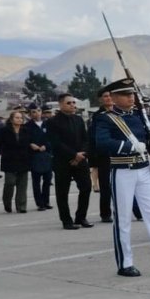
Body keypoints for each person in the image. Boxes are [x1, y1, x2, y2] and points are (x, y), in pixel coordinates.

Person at [93, 78, 150, 277]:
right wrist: (129, 147)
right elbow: (103, 143)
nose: (130, 98)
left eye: (131, 94)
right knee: (123, 218)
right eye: (125, 94)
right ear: (114, 97)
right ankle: (125, 263)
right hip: (122, 170)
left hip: (145, 169)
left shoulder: (140, 115)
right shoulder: (105, 118)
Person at [47, 93, 94, 230]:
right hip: (62, 162)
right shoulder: (52, 122)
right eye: (69, 103)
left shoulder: (78, 120)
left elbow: (85, 139)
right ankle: (66, 220)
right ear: (61, 104)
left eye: (74, 102)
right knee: (62, 192)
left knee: (86, 187)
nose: (73, 105)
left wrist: (81, 155)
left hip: (81, 160)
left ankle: (81, 217)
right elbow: (56, 143)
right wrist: (73, 155)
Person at [0, 110, 32, 213]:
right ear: (11, 119)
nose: (19, 119)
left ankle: (21, 206)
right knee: (10, 182)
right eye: (17, 117)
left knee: (22, 184)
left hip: (23, 159)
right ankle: (7, 202)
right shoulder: (4, 130)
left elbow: (29, 142)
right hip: (9, 160)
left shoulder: (26, 130)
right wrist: (1, 151)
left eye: (21, 118)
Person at [88, 90, 114, 222]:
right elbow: (92, 138)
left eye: (110, 95)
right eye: (105, 96)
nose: (108, 98)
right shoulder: (97, 116)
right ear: (100, 100)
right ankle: (105, 213)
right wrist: (93, 159)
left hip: (120, 154)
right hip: (104, 155)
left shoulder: (119, 112)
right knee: (105, 186)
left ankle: (136, 211)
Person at [25, 105, 54, 210]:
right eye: (33, 111)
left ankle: (46, 201)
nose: (36, 113)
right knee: (36, 181)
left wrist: (46, 145)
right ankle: (39, 203)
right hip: (34, 155)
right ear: (30, 114)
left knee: (47, 180)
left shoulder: (47, 124)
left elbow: (52, 138)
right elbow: (25, 139)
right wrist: (31, 144)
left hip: (46, 154)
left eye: (38, 111)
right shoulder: (27, 126)